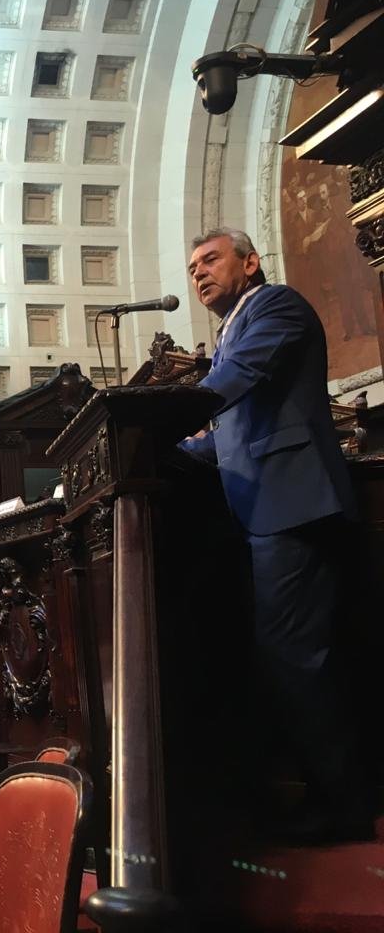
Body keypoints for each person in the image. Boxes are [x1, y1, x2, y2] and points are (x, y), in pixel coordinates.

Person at [180, 227, 370, 842]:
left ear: (251, 261)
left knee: (297, 657)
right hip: (264, 514)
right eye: (192, 267)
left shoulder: (274, 306)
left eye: (210, 259)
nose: (199, 273)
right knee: (287, 657)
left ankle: (343, 805)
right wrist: (169, 447)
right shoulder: (232, 326)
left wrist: (160, 419)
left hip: (294, 506)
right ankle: (323, 794)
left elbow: (236, 381)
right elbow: (222, 436)